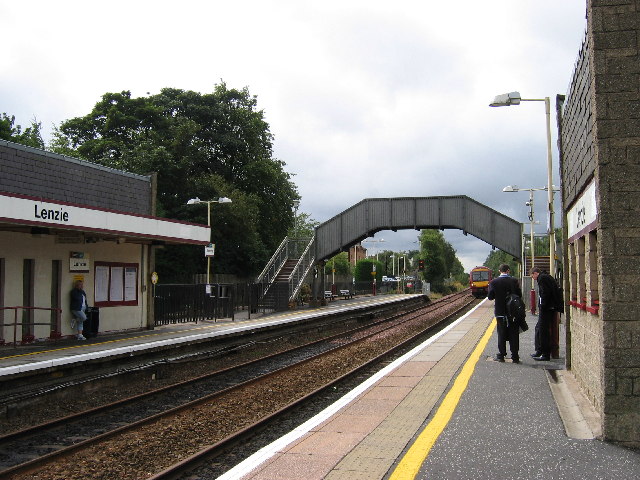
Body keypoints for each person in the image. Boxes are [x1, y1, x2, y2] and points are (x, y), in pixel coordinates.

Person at [487, 263, 523, 363]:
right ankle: (515, 356)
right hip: (513, 312)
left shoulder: (494, 282)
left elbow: (490, 297)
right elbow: (519, 295)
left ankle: (501, 355)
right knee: (514, 333)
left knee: (501, 333)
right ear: (508, 270)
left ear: (499, 271)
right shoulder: (514, 281)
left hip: (500, 312)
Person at [530, 267, 560, 361]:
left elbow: (545, 294)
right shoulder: (546, 277)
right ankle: (539, 350)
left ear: (535, 273)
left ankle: (545, 354)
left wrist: (542, 306)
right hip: (550, 307)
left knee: (543, 331)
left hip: (546, 308)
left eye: (532, 276)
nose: (533, 278)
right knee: (538, 328)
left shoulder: (542, 279)